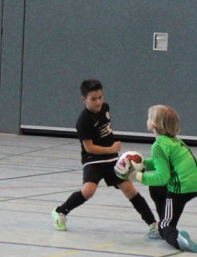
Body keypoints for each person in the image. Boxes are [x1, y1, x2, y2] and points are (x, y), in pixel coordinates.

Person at [52, 79, 157, 237]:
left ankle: (152, 224)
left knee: (129, 189)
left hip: (112, 159)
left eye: (100, 97)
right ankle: (60, 212)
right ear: (84, 100)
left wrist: (120, 154)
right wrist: (111, 149)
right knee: (88, 191)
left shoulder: (105, 108)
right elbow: (89, 147)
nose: (98, 102)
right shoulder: (83, 121)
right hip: (93, 160)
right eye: (93, 99)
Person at [130, 105, 197, 253]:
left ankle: (176, 238)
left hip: (182, 187)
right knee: (156, 189)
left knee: (164, 226)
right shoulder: (173, 141)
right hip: (195, 182)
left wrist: (137, 176)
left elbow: (162, 177)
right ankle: (168, 224)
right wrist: (140, 164)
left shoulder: (158, 145)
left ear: (154, 124)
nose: (147, 120)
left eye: (149, 118)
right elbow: (160, 164)